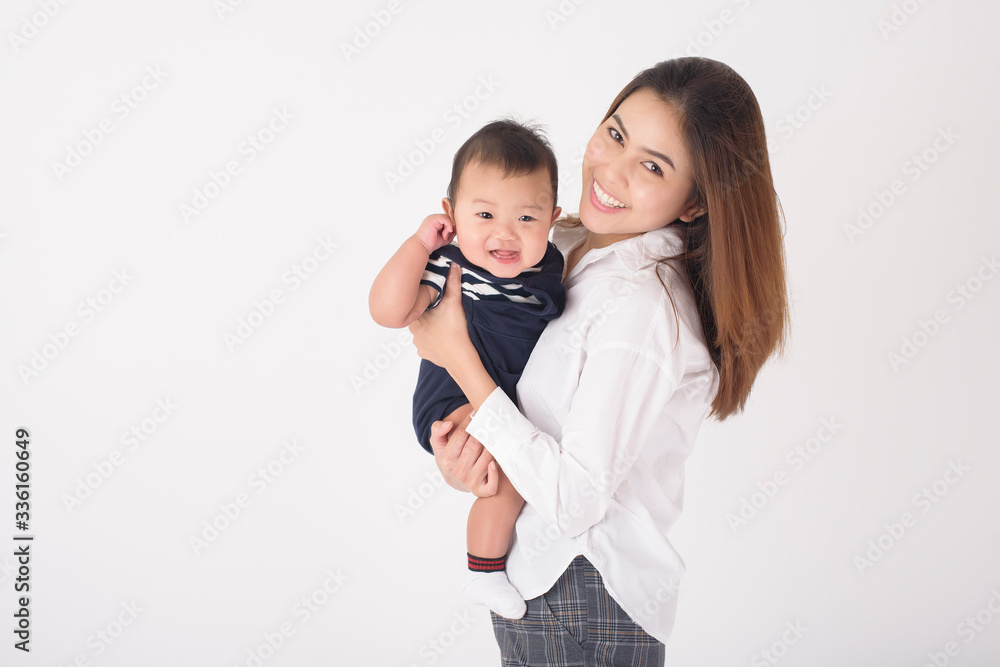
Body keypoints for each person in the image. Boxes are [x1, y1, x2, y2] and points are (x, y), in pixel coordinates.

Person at [408, 56, 790, 666]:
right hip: (541, 581)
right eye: (616, 134)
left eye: (651, 166)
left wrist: (457, 358)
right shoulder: (558, 245)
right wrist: (468, 457)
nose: (610, 171)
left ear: (693, 204)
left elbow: (574, 500)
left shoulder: (643, 306)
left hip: (582, 593)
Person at [369, 119, 566, 619]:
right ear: (451, 214)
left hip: (501, 399)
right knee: (506, 477)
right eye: (484, 214)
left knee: (519, 467)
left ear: (552, 219)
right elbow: (389, 312)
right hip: (454, 395)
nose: (505, 233)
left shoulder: (550, 268)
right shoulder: (452, 266)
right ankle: (484, 572)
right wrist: (419, 246)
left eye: (526, 218)